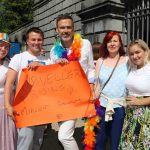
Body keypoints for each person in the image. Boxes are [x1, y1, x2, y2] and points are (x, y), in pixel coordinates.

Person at [50, 14, 95, 150]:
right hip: (62, 97)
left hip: (80, 94)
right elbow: (51, 75)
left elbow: (91, 68)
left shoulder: (85, 44)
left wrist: (92, 87)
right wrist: (56, 64)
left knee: (64, 136)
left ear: (73, 29)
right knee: (65, 132)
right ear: (57, 30)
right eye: (62, 27)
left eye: (69, 27)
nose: (66, 30)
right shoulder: (54, 51)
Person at [4, 27, 51, 150]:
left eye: (39, 39)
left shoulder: (48, 60)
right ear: (27, 41)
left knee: (38, 141)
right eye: (33, 39)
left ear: (43, 41)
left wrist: (43, 66)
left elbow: (53, 81)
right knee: (25, 142)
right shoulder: (18, 58)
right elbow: (9, 83)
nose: (36, 42)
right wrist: (8, 105)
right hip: (24, 109)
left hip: (42, 108)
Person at [94, 31, 128, 150]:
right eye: (109, 41)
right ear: (105, 44)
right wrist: (93, 99)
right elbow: (97, 85)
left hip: (120, 108)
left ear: (120, 44)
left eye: (115, 41)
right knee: (99, 141)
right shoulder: (100, 61)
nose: (112, 43)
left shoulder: (128, 60)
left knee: (116, 142)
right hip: (102, 107)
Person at [119, 39, 150, 150]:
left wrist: (139, 101)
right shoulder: (132, 68)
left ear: (145, 51)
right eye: (131, 54)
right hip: (130, 116)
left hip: (146, 117)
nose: (134, 56)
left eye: (138, 52)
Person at [0, 33, 17, 150]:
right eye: (1, 45)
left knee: (8, 136)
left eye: (6, 47)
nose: (3, 49)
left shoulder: (10, 63)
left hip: (8, 105)